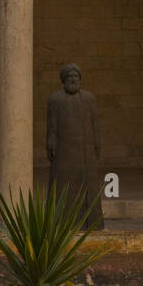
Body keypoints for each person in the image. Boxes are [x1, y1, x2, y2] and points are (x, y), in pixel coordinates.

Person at [45, 63, 103, 229]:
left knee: (89, 187)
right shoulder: (55, 99)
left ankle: (91, 223)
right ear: (63, 80)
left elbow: (95, 123)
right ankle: (61, 224)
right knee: (63, 186)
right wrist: (51, 143)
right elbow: (52, 123)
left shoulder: (89, 98)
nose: (72, 79)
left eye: (75, 76)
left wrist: (97, 144)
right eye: (69, 76)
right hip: (64, 152)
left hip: (86, 151)